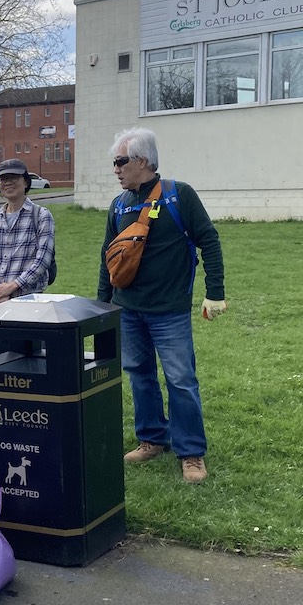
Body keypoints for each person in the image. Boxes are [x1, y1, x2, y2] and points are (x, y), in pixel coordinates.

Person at [97, 127, 226, 484]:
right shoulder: (119, 205)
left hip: (169, 311)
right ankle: (152, 438)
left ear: (142, 161)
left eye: (120, 162)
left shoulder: (178, 195)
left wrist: (214, 291)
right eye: (115, 162)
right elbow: (107, 256)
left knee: (181, 380)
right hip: (128, 310)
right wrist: (101, 305)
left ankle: (191, 453)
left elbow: (209, 242)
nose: (116, 169)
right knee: (139, 374)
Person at [0, 158, 55, 305]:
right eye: (3, 179)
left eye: (14, 177)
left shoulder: (41, 215)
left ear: (26, 182)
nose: (8, 182)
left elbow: (42, 261)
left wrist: (12, 287)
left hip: (28, 298)